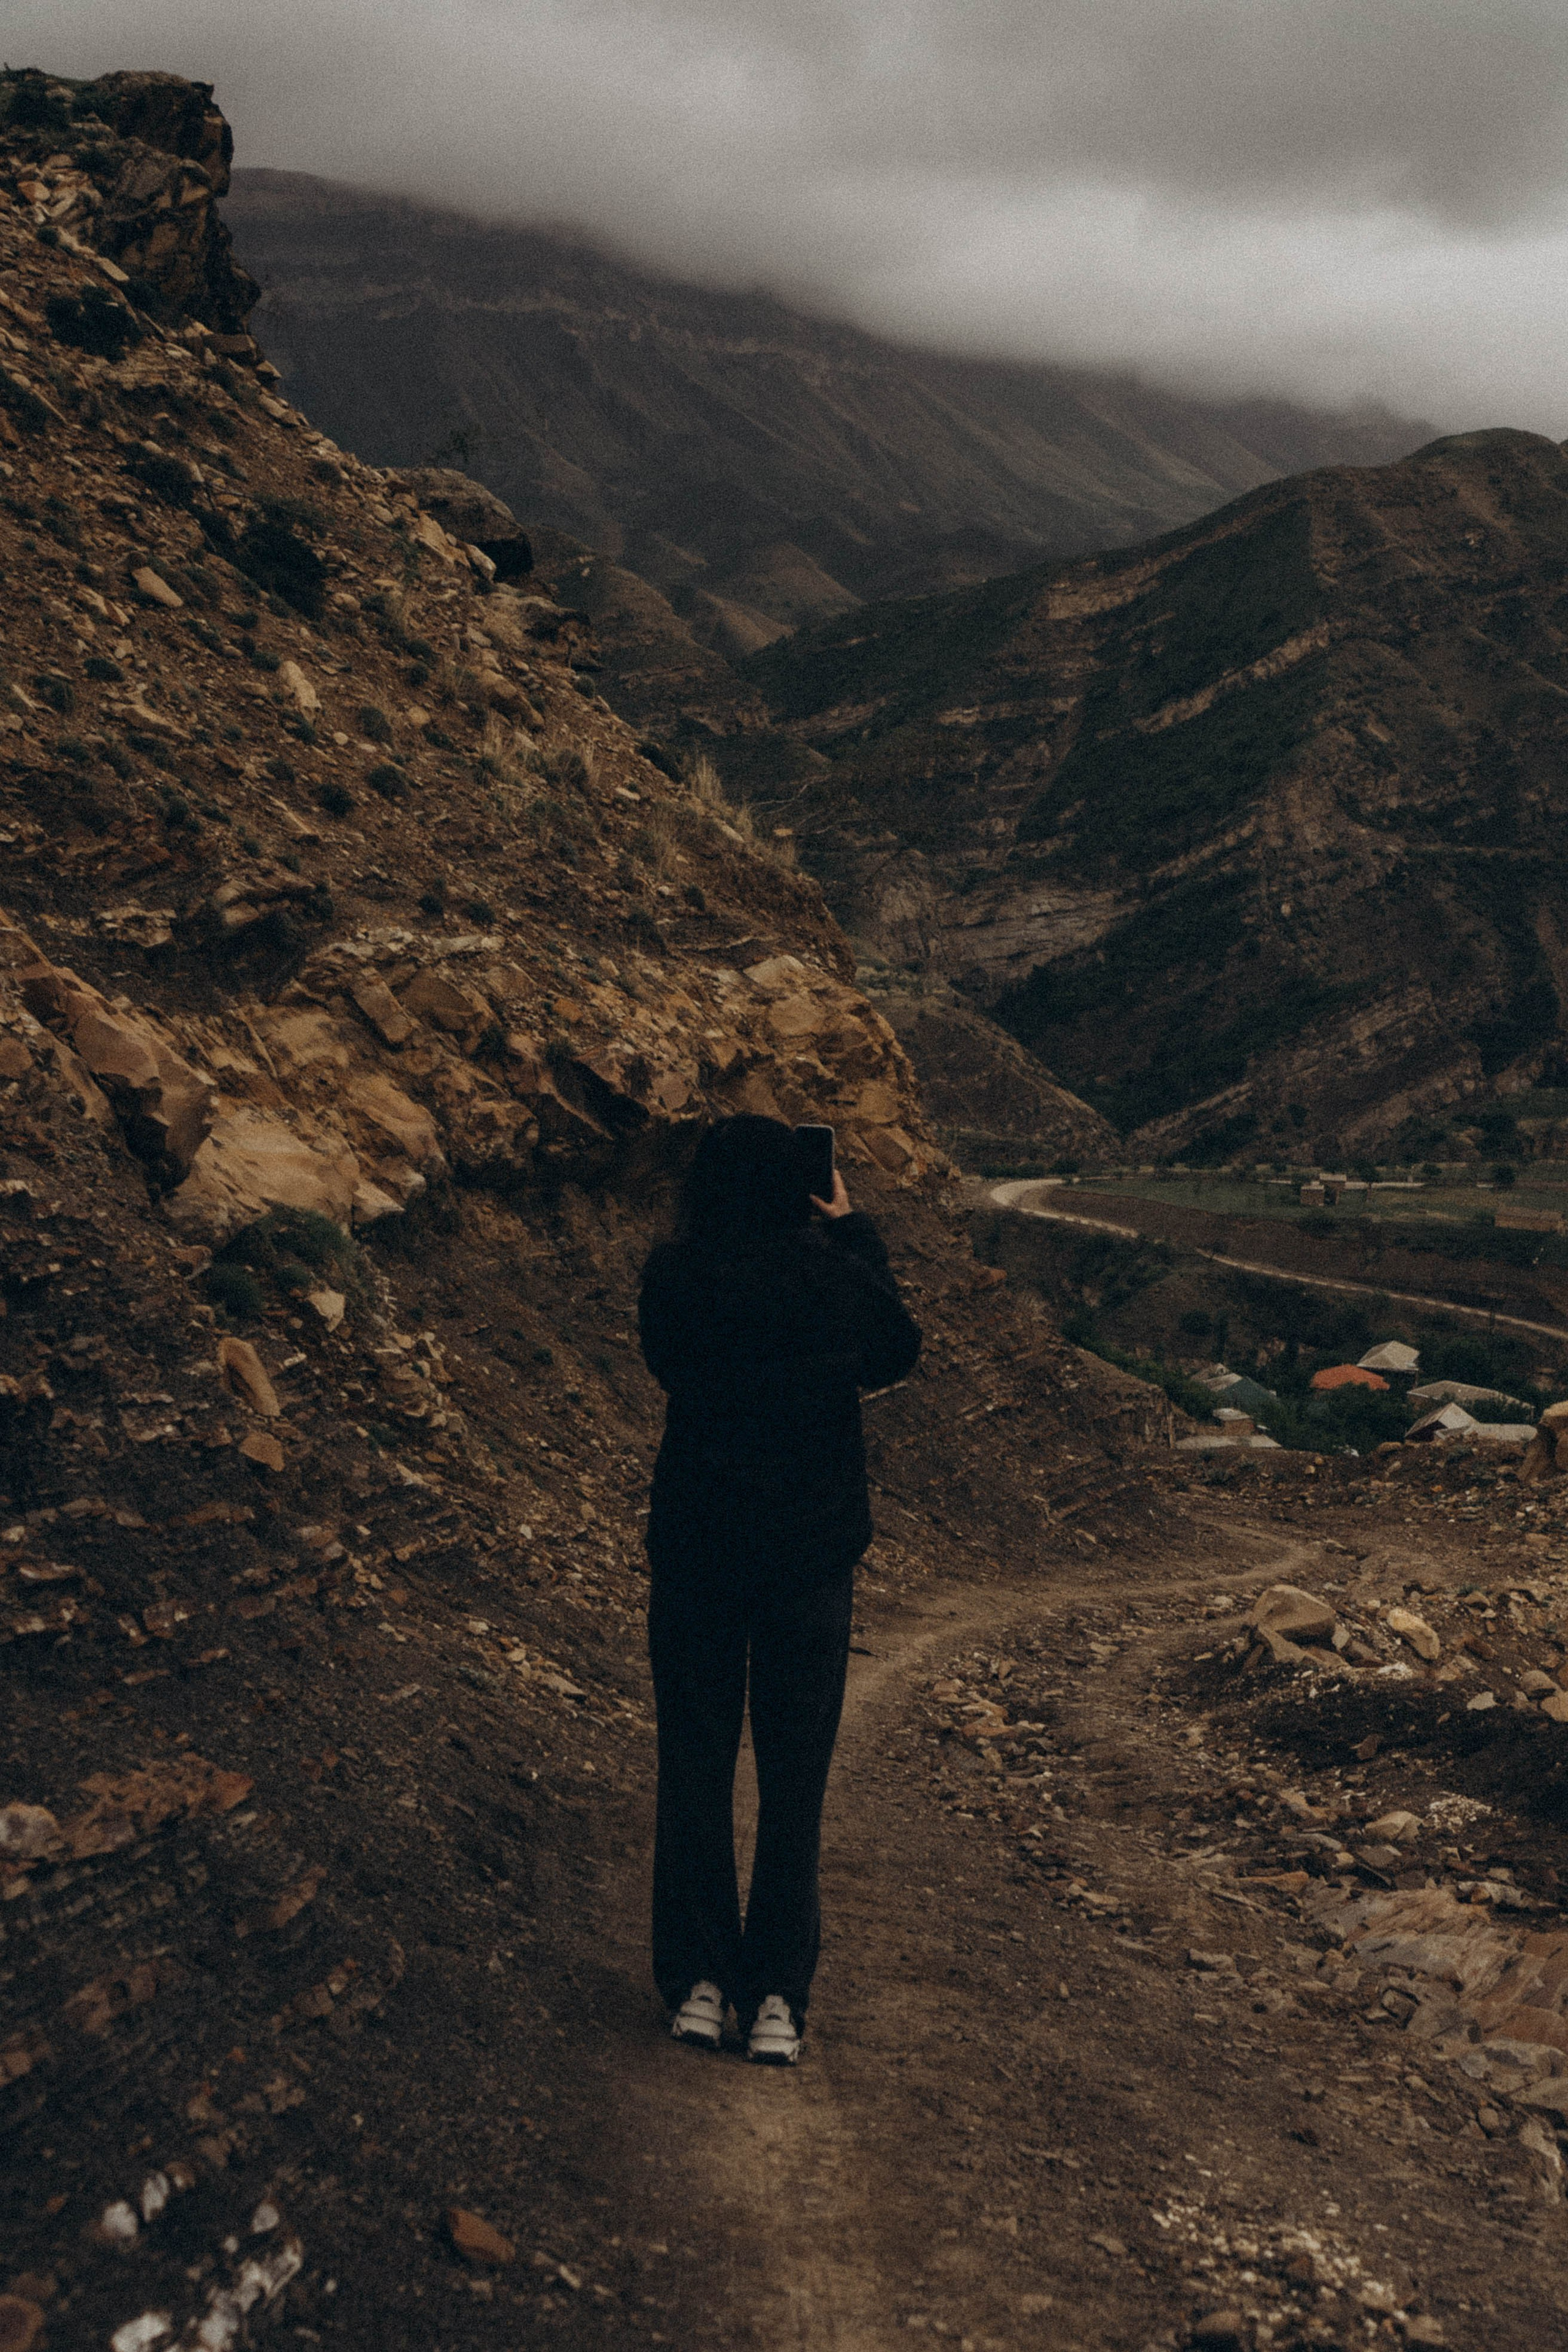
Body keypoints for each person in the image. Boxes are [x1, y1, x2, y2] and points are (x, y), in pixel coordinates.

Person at [637, 1114, 922, 2064]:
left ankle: (701, 1984)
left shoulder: (672, 1277)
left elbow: (668, 1366)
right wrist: (850, 1228)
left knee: (696, 1767)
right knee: (795, 1780)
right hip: (809, 1558)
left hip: (698, 1552)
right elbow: (898, 1350)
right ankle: (778, 2003)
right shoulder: (833, 1277)